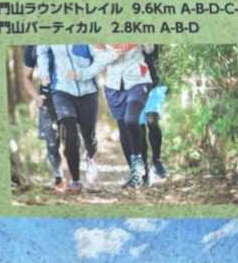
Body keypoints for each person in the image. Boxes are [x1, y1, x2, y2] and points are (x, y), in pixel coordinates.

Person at [32, 45, 104, 194]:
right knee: (69, 134)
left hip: (88, 91)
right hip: (61, 90)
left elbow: (101, 58)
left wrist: (84, 74)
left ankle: (90, 157)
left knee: (89, 136)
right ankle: (76, 180)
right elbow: (42, 51)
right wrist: (44, 73)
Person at [97, 43, 157, 190]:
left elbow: (150, 49)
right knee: (125, 130)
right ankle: (137, 174)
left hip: (138, 80)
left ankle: (139, 168)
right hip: (113, 86)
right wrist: (113, 55)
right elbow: (98, 59)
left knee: (132, 120)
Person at [20, 46, 63, 191]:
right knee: (52, 143)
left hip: (71, 97)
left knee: (73, 139)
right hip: (47, 100)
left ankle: (76, 179)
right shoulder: (32, 47)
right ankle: (58, 178)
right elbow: (26, 76)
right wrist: (36, 97)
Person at [141, 49, 169, 184]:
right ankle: (144, 168)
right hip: (132, 83)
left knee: (152, 121)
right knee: (139, 126)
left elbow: (150, 49)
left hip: (153, 81)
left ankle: (157, 160)